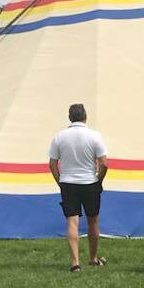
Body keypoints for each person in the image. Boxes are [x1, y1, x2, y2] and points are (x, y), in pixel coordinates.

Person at [48, 103, 109, 272]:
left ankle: (75, 262)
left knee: (72, 222)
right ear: (85, 116)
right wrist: (99, 180)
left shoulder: (59, 137)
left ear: (69, 117)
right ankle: (92, 258)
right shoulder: (95, 136)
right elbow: (104, 163)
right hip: (90, 182)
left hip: (68, 183)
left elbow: (52, 164)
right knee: (93, 220)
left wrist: (59, 181)